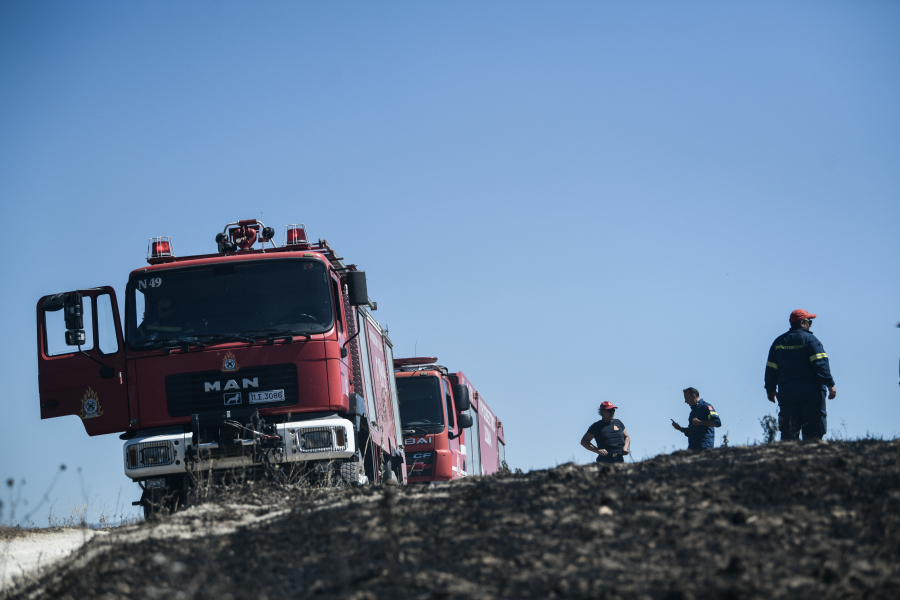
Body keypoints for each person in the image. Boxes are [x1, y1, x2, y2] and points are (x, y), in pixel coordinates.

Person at [764, 309, 836, 441]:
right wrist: (830, 384)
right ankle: (811, 460)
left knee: (789, 432)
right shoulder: (810, 340)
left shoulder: (779, 342)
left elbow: (771, 368)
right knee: (813, 431)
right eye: (810, 322)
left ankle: (788, 460)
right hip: (811, 393)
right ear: (803, 323)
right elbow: (820, 364)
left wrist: (770, 389)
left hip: (787, 393)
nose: (810, 325)